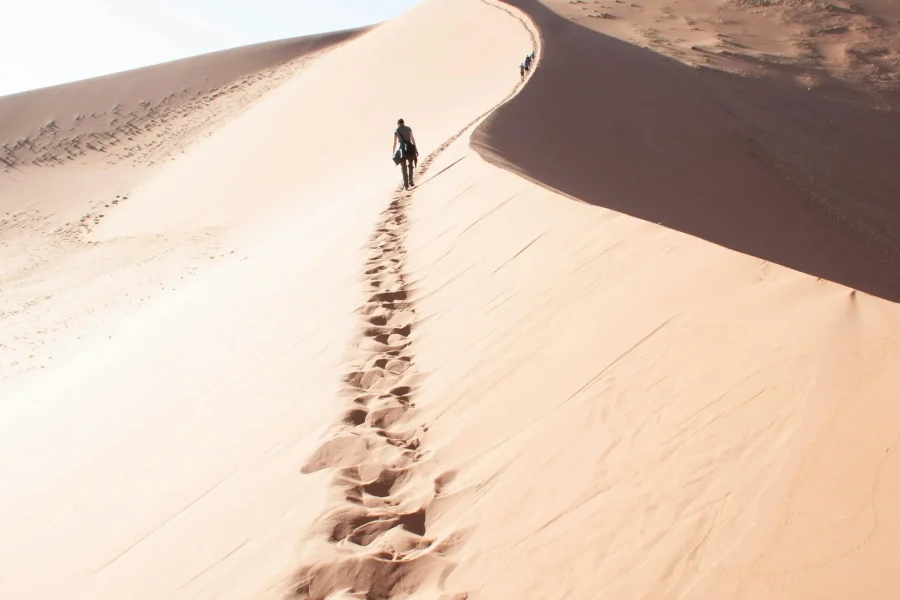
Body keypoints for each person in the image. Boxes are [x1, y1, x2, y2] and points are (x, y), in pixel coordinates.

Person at [393, 118, 418, 190]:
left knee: (403, 168)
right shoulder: (408, 128)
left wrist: (393, 153)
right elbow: (412, 139)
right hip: (409, 148)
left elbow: (394, 144)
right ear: (403, 123)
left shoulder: (396, 131)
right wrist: (415, 148)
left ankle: (406, 185)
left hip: (402, 150)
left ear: (398, 124)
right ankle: (411, 180)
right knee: (410, 165)